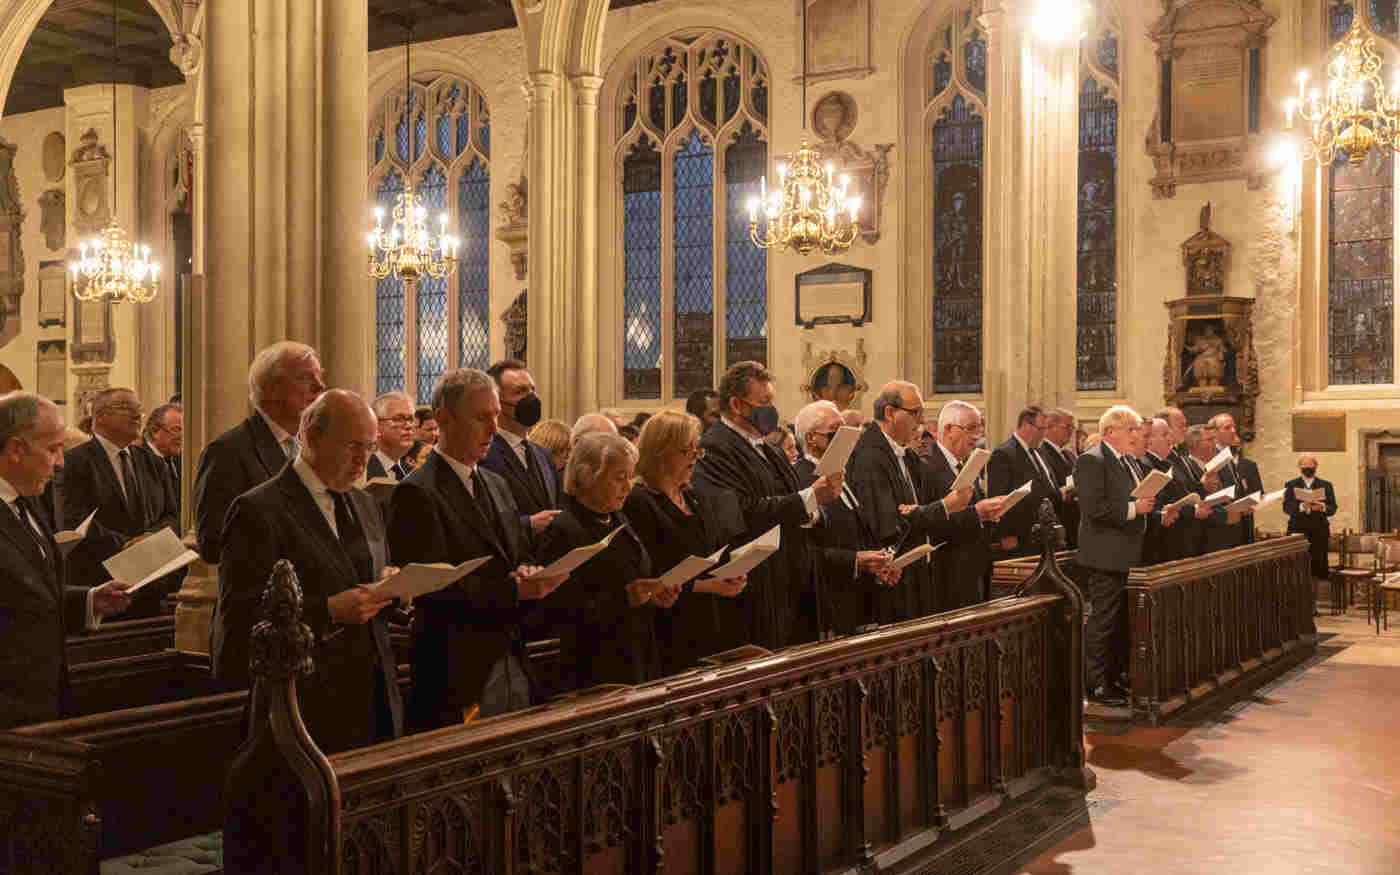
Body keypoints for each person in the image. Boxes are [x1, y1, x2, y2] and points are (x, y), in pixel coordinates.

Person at [213, 391, 403, 753]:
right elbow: (240, 618)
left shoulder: (365, 502)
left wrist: (393, 588)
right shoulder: (258, 509)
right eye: (353, 447)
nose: (364, 460)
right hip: (304, 705)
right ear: (312, 436)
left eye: (370, 447)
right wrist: (328, 610)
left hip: (374, 696)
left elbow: (366, 581)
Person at [388, 369, 567, 727]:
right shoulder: (417, 492)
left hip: (509, 650)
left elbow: (514, 553)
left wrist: (527, 570)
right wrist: (514, 590)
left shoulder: (495, 483)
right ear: (443, 419)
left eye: (495, 416)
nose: (492, 429)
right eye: (480, 418)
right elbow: (433, 589)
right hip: (455, 667)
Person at [0, 393, 132, 729]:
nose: (60, 463)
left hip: (40, 700)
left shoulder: (27, 498)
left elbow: (30, 593)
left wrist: (89, 600)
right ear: (15, 449)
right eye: (53, 449)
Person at [692, 361, 842, 649]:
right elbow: (740, 513)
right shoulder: (715, 447)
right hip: (757, 587)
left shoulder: (769, 448)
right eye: (763, 402)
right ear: (736, 404)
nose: (771, 410)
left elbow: (793, 499)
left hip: (789, 579)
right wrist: (810, 497)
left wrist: (815, 506)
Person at [538, 433, 669, 689]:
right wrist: (623, 599)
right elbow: (557, 609)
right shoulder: (565, 529)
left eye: (630, 477)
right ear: (587, 477)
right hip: (594, 667)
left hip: (637, 653)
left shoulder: (618, 518)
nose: (628, 487)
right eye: (619, 478)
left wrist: (654, 595)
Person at [625, 411, 749, 674]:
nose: (695, 457)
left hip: (707, 618)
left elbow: (710, 550)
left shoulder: (693, 497)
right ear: (660, 453)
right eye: (686, 450)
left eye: (696, 449)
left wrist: (730, 572)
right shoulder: (639, 501)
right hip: (668, 624)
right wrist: (711, 586)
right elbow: (651, 572)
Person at [194, 341, 326, 564]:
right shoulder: (227, 452)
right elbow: (212, 543)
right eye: (305, 377)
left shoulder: (311, 447)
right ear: (272, 389)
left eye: (319, 375)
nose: (320, 386)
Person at [62, 388, 179, 616]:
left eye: (139, 408)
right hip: (104, 587)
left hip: (153, 584)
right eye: (127, 407)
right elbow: (74, 520)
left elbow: (172, 515)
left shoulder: (152, 462)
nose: (137, 414)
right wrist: (128, 544)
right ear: (100, 415)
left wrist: (151, 538)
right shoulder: (74, 462)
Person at [792, 400, 891, 633]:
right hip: (827, 604)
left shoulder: (842, 474)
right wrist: (854, 559)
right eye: (835, 431)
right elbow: (804, 550)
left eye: (846, 430)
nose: (845, 439)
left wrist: (880, 561)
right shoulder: (801, 480)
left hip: (860, 597)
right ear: (811, 438)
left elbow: (857, 529)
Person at [1078, 406, 1154, 707]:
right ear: (1111, 432)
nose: (1136, 435)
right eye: (1131, 429)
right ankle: (1095, 685)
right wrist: (1135, 508)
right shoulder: (1092, 460)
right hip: (1105, 555)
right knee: (1103, 621)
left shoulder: (1127, 461)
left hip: (1125, 553)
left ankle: (1112, 677)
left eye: (1137, 429)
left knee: (1119, 622)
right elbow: (1093, 508)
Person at [923, 400, 1004, 609]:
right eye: (971, 429)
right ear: (949, 430)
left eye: (979, 429)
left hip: (975, 567)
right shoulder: (926, 464)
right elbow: (929, 521)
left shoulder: (967, 462)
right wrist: (977, 514)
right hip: (946, 575)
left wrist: (991, 512)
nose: (977, 436)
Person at [482, 360, 561, 539]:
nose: (532, 398)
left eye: (532, 390)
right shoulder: (484, 453)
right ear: (496, 401)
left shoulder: (543, 455)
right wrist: (528, 524)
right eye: (520, 392)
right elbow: (483, 521)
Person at [987, 405, 1062, 557]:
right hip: (1021, 535)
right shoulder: (1004, 454)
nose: (1044, 434)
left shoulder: (1040, 451)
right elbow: (998, 496)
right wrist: (1006, 534)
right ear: (1027, 425)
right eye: (1041, 429)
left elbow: (1046, 485)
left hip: (1045, 532)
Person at [1283, 454, 1337, 614]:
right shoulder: (1291, 485)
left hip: (1318, 531)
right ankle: (1298, 605)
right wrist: (1302, 506)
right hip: (1298, 530)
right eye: (1305, 467)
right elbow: (1287, 507)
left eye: (1311, 466)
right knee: (1297, 567)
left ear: (1316, 467)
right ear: (1300, 467)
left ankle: (1313, 605)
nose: (1308, 469)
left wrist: (1323, 507)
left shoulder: (1325, 485)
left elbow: (1333, 507)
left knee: (1316, 568)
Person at [1139, 418, 1186, 565]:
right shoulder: (1146, 464)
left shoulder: (1168, 463)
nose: (1170, 439)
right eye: (1165, 435)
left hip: (1171, 534)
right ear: (1150, 440)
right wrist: (1162, 514)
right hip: (1156, 541)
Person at [1212, 413, 1262, 546]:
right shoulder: (1212, 456)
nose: (1233, 431)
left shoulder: (1228, 456)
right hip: (1223, 526)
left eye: (1234, 427)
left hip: (1239, 524)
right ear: (1214, 433)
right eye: (1227, 428)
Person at [137, 402, 183, 526]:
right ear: (154, 431)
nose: (182, 436)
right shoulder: (138, 462)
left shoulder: (182, 462)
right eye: (176, 430)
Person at [1039, 407, 1079, 547]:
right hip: (1057, 518)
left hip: (1074, 520)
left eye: (1072, 427)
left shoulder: (1069, 455)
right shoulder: (1041, 452)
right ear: (1050, 426)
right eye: (1067, 426)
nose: (1071, 431)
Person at [367, 392, 417, 481]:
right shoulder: (362, 470)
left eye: (411, 419)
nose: (408, 426)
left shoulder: (414, 473)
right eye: (399, 419)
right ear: (376, 426)